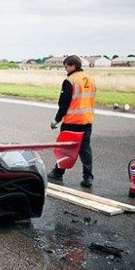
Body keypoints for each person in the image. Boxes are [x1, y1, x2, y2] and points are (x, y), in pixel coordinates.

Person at [48, 55, 97, 188]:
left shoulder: (70, 80)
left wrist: (56, 120)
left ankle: (58, 172)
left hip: (72, 121)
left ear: (73, 66)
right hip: (87, 121)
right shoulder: (90, 79)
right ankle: (88, 177)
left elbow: (63, 104)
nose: (65, 69)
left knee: (65, 149)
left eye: (66, 66)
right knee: (85, 150)